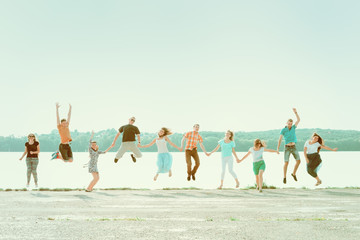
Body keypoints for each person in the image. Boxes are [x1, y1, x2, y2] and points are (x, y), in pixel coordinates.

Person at [277, 108, 301, 184]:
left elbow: (298, 120)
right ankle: (284, 177)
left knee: (298, 161)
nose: (290, 124)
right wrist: (277, 148)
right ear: (287, 123)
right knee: (286, 163)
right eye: (289, 123)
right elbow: (280, 139)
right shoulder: (283, 130)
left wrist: (296, 113)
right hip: (287, 148)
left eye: (291, 123)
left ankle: (293, 174)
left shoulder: (294, 127)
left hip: (294, 147)